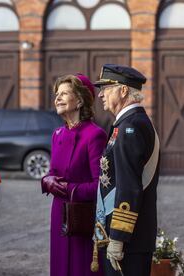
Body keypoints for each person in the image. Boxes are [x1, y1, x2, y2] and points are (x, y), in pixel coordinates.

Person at [93, 64, 160, 276]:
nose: (101, 94)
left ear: (123, 91)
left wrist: (118, 238)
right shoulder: (128, 123)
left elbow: (129, 187)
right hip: (129, 237)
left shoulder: (130, 127)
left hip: (128, 241)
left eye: (106, 88)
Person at [41, 74, 107, 276]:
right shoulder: (57, 134)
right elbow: (52, 172)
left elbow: (100, 185)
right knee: (60, 266)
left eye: (65, 94)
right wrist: (46, 181)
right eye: (57, 94)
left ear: (79, 101)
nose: (57, 99)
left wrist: (69, 189)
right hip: (58, 211)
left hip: (82, 216)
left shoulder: (95, 135)